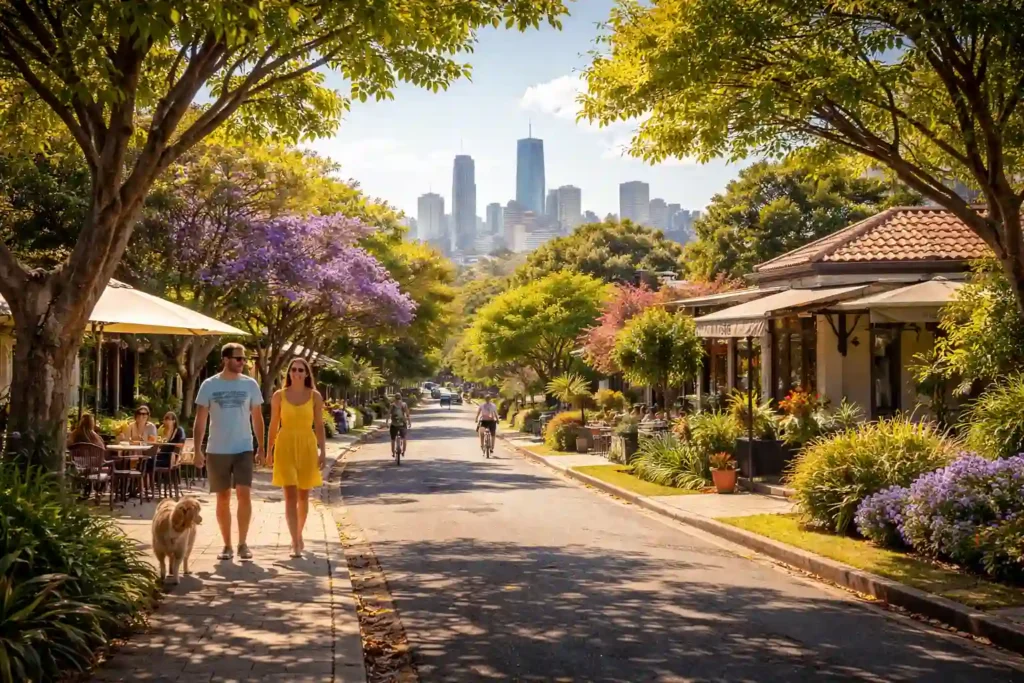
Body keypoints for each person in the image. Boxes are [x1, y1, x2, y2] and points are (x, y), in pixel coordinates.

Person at [193, 343, 266, 561]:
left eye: (244, 359)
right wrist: (197, 450)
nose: (242, 362)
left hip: (243, 447)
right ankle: (227, 545)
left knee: (244, 493)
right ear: (225, 359)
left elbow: (257, 417)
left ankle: (243, 543)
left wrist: (261, 447)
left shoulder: (250, 385)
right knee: (223, 497)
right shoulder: (209, 385)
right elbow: (200, 419)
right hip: (217, 449)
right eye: (238, 359)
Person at [267, 358, 326, 558]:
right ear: (289, 373)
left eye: (301, 370)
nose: (297, 373)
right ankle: (294, 541)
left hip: (307, 446)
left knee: (303, 496)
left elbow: (319, 425)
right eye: (293, 369)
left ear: (307, 373)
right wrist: (268, 450)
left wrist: (323, 451)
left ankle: (299, 535)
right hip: (285, 446)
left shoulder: (315, 396)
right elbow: (273, 424)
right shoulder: (279, 396)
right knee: (290, 496)